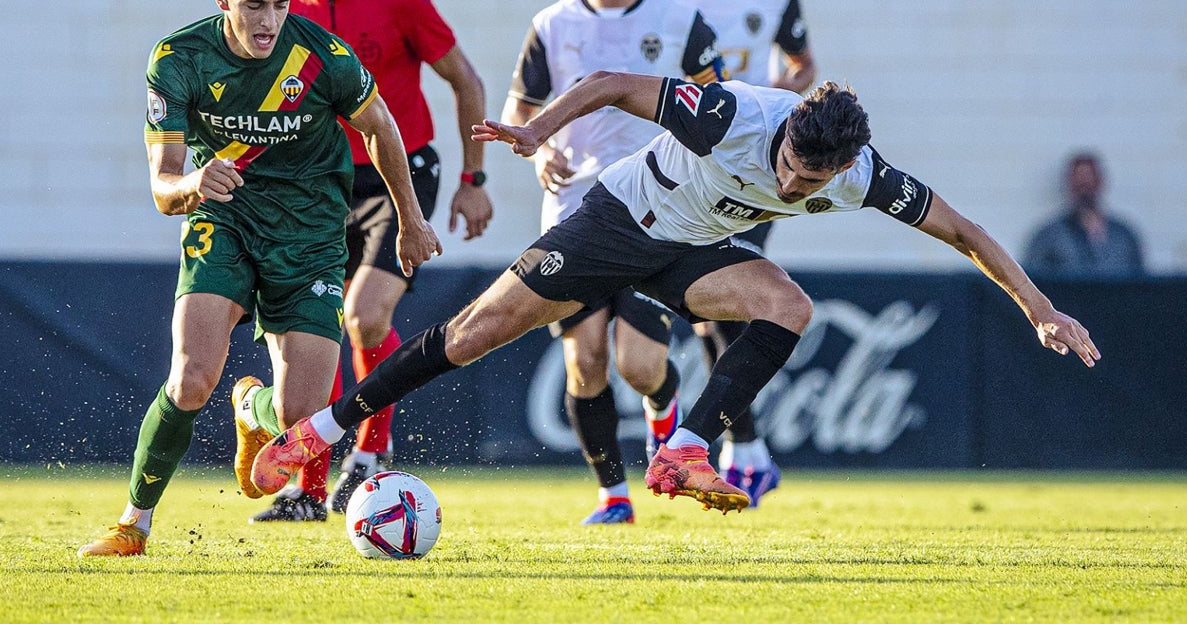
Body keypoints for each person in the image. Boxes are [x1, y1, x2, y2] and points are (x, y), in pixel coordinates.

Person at [251, 71, 1100, 518]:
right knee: (474, 333)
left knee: (789, 306)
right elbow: (619, 82)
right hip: (619, 219)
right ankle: (312, 435)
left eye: (808, 179)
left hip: (693, 249)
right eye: (789, 165)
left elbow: (966, 232)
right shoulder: (733, 117)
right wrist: (536, 131)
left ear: (840, 170)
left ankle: (684, 450)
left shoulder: (860, 177)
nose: (790, 180)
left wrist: (1039, 308)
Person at [77, 0, 440, 557]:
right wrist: (193, 183)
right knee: (191, 380)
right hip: (225, 225)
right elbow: (162, 190)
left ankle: (254, 409)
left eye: (279, 3)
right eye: (253, 5)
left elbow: (383, 129)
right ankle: (133, 524)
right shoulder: (177, 60)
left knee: (303, 420)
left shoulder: (321, 56)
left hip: (310, 239)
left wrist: (411, 219)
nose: (269, 21)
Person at [245, 0, 494, 523]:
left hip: (399, 176)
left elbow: (466, 80)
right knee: (314, 332)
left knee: (364, 317)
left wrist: (474, 181)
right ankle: (309, 487)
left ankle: (370, 457)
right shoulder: (280, 6)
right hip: (316, 183)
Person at [502, 0, 726, 525]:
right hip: (574, 212)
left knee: (639, 362)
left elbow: (720, 109)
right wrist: (540, 151)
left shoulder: (681, 22)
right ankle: (613, 495)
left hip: (659, 215)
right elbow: (519, 110)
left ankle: (662, 419)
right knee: (585, 360)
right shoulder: (553, 24)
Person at [646, 0, 817, 505]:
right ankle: (742, 445)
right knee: (706, 305)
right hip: (678, 169)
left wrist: (776, 107)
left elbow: (803, 64)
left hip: (750, 169)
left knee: (722, 299)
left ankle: (739, 444)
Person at [1024, 152, 1144, 276]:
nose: (1085, 190)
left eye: (1089, 183)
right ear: (1069, 185)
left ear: (1100, 183)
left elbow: (1139, 283)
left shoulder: (1124, 237)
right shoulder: (1049, 236)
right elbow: (1032, 283)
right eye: (1079, 184)